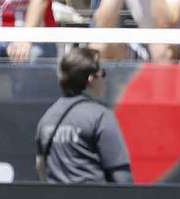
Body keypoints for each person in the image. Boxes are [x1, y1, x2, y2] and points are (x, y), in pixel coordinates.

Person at [35, 48, 133, 184]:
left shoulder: (47, 118)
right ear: (91, 79)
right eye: (103, 73)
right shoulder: (101, 117)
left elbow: (41, 169)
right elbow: (122, 178)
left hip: (55, 197)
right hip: (93, 197)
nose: (105, 79)